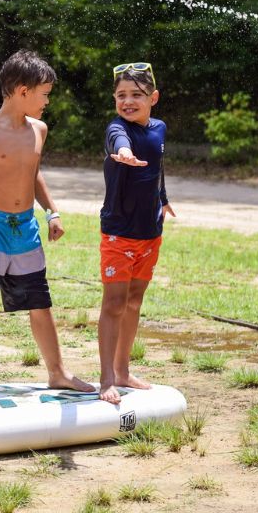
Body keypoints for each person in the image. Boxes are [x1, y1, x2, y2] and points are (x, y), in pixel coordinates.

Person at [0, 50, 94, 402]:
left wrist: (52, 212)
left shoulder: (39, 129)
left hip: (25, 229)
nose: (47, 102)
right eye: (45, 94)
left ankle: (58, 373)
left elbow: (32, 174)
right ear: (22, 91)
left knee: (40, 302)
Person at [98, 63, 174, 404]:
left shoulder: (159, 129)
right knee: (114, 303)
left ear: (153, 98)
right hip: (118, 233)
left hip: (150, 233)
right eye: (121, 95)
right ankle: (106, 379)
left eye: (136, 95)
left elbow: (157, 169)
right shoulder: (116, 128)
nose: (128, 101)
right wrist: (124, 154)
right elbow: (119, 140)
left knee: (133, 301)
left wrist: (164, 199)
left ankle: (124, 370)